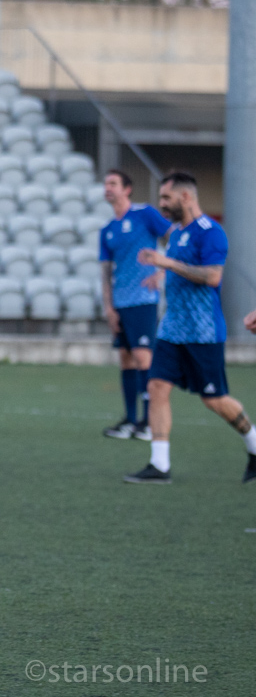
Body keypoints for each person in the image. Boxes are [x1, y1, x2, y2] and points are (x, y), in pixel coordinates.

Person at [124, 171, 256, 484]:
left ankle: (254, 442)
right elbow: (181, 270)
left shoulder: (210, 232)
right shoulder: (178, 233)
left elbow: (211, 276)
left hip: (202, 331)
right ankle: (160, 465)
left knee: (214, 400)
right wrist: (161, 276)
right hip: (172, 330)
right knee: (156, 387)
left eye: (166, 198)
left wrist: (166, 264)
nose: (162, 205)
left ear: (186, 197)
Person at [99, 169, 172, 441]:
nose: (108, 188)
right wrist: (109, 307)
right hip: (120, 303)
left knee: (144, 357)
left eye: (113, 183)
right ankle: (130, 420)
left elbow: (174, 238)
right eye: (106, 183)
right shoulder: (107, 230)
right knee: (126, 359)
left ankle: (148, 421)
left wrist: (163, 271)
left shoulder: (145, 214)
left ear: (127, 189)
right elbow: (105, 271)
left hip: (143, 299)